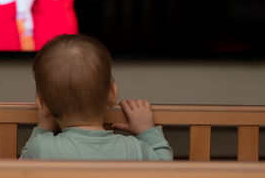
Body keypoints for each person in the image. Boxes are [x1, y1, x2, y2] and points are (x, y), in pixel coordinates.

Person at [20, 34, 173, 160]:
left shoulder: (41, 147)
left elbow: (20, 172)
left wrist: (43, 128)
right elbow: (166, 171)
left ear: (42, 104)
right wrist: (146, 131)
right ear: (112, 93)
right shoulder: (134, 149)